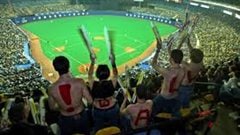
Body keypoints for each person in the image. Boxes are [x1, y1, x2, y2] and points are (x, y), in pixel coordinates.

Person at [48, 56, 92, 135]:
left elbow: (52, 107)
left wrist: (62, 107)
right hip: (81, 116)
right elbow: (90, 101)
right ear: (69, 66)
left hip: (65, 119)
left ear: (55, 69)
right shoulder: (80, 82)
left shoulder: (51, 88)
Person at [151, 37, 185, 117]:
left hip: (164, 96)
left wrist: (158, 50)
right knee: (173, 115)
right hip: (176, 96)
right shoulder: (182, 70)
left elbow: (153, 64)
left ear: (171, 59)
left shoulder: (167, 72)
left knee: (152, 108)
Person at [88, 52, 120, 132]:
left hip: (98, 110)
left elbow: (90, 75)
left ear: (97, 74)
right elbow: (115, 74)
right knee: (115, 128)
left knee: (99, 129)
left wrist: (92, 62)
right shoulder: (111, 83)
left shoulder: (93, 84)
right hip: (112, 108)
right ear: (108, 73)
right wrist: (113, 63)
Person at [178, 37, 204, 108]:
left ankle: (181, 116)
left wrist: (180, 43)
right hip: (191, 85)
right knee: (186, 102)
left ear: (190, 57)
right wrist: (188, 43)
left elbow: (175, 56)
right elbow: (194, 53)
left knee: (181, 103)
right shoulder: (200, 63)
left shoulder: (186, 66)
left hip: (183, 87)